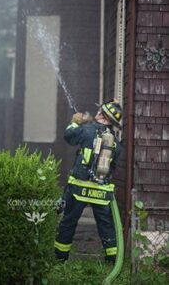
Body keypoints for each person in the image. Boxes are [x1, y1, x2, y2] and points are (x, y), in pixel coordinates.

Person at [54, 99, 122, 264]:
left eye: (100, 112)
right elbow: (112, 166)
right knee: (106, 227)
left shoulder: (86, 130)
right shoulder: (115, 142)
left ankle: (60, 259)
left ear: (103, 117)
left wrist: (75, 122)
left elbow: (68, 136)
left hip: (78, 189)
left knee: (68, 223)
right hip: (101, 191)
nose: (97, 113)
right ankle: (112, 261)